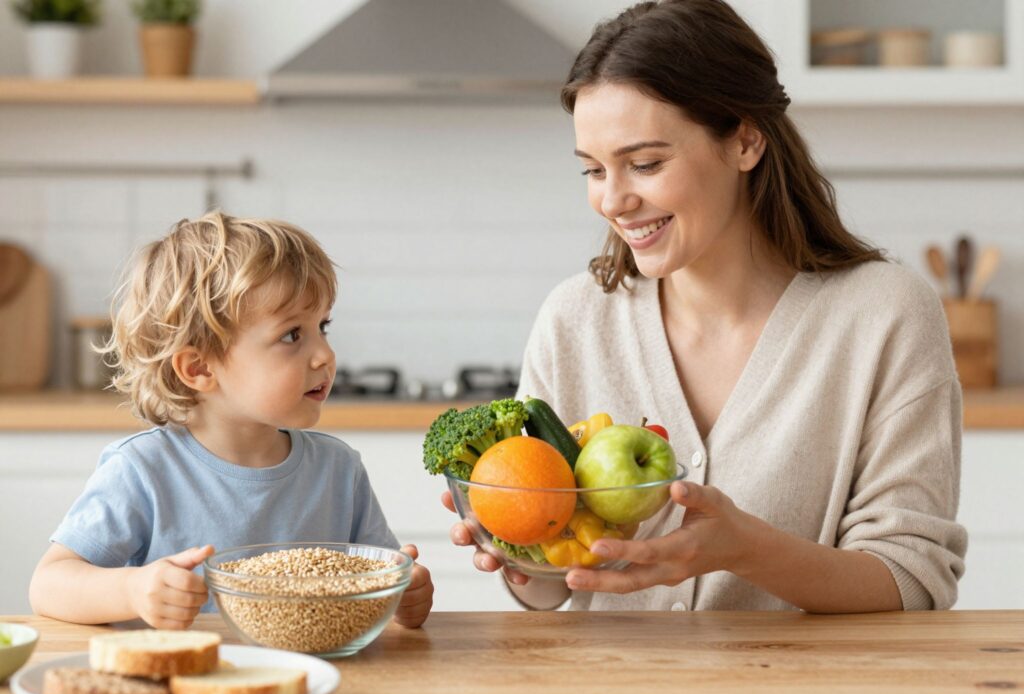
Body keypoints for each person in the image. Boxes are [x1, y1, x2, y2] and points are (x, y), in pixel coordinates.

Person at [447, 0, 967, 612]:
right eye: (593, 170)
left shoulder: (885, 316)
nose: (613, 200)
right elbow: (556, 588)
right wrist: (517, 549)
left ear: (745, 140)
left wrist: (744, 549)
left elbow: (911, 581)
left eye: (644, 164)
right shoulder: (574, 320)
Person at [30, 212, 433, 630]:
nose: (325, 355)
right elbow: (48, 584)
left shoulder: (339, 471)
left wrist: (405, 594)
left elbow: (382, 578)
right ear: (200, 368)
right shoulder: (143, 470)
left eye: (323, 327)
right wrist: (134, 588)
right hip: (186, 683)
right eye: (293, 335)